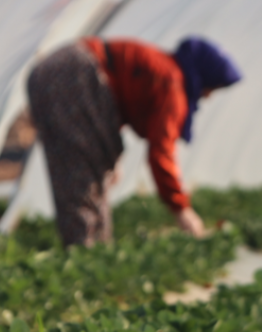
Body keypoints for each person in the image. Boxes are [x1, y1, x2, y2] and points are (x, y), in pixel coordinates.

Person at [26, 36, 240, 246]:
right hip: (75, 73)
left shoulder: (161, 68)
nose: (209, 95)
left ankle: (88, 252)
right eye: (212, 87)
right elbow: (161, 151)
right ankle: (88, 254)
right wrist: (181, 209)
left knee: (73, 170)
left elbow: (113, 98)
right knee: (83, 177)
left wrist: (112, 160)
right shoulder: (172, 83)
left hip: (53, 71)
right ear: (203, 76)